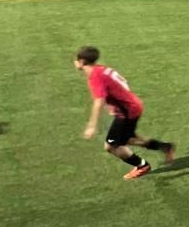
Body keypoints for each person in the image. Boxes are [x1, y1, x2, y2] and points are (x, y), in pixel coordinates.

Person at [75, 46, 175, 181]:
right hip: (131, 106)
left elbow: (99, 101)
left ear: (81, 62)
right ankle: (165, 147)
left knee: (111, 146)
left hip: (127, 112)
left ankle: (142, 166)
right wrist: (114, 104)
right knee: (128, 138)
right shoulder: (102, 69)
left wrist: (92, 125)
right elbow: (122, 81)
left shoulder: (95, 77)